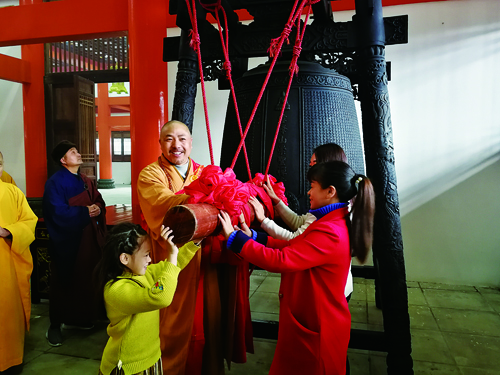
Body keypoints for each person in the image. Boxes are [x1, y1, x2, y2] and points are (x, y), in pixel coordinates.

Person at [219, 161, 375, 375]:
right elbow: (295, 246)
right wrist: (254, 237)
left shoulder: (331, 231)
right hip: (312, 320)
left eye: (313, 186)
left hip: (318, 328)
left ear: (330, 191)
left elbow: (282, 259)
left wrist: (236, 240)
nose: (309, 192)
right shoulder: (330, 221)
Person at [137, 120, 221, 374]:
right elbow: (164, 203)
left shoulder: (204, 171)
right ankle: (171, 368)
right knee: (173, 316)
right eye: (169, 139)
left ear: (191, 142)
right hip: (172, 258)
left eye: (182, 139)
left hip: (204, 254)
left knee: (208, 314)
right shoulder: (150, 174)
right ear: (161, 143)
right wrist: (207, 198)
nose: (177, 145)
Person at [95, 223, 201, 375]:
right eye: (146, 255)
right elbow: (160, 297)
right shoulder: (115, 291)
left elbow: (170, 267)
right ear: (125, 258)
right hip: (127, 367)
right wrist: (171, 255)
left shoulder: (144, 275)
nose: (150, 260)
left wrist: (195, 242)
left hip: (151, 358)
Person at [253, 143, 353, 300]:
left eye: (314, 164)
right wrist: (278, 203)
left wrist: (261, 223)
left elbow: (293, 243)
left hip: (328, 293)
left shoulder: (329, 223)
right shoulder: (333, 209)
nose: (310, 167)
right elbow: (301, 223)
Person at [42, 140, 107, 347]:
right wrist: (84, 212)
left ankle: (80, 319)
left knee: (86, 278)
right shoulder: (55, 182)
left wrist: (97, 207)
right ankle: (55, 325)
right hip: (69, 242)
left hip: (88, 239)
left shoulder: (85, 179)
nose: (78, 154)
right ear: (63, 160)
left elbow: (98, 199)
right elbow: (56, 212)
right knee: (65, 281)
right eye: (73, 152)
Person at [0, 161, 37, 372]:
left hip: (7, 263)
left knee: (7, 312)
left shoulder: (11, 191)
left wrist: (8, 231)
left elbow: (29, 221)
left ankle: (9, 360)